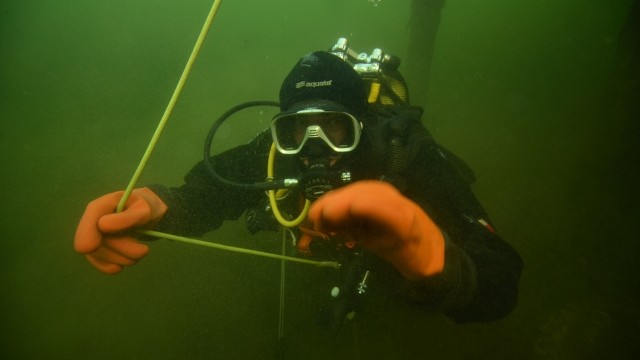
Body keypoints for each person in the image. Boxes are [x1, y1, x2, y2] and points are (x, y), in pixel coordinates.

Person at [74, 49, 523, 325]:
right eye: (297, 130)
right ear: (282, 129)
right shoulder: (275, 151)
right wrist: (159, 207)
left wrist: (430, 255)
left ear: (362, 126)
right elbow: (207, 197)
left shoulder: (402, 153)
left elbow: (500, 281)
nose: (314, 148)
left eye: (335, 128)